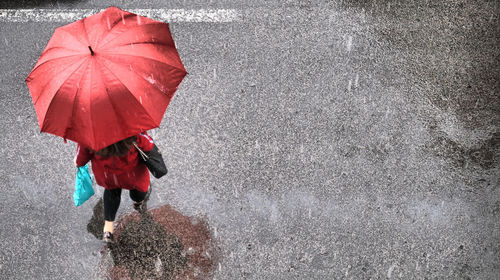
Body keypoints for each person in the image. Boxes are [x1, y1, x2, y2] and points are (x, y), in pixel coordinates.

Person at [75, 132, 155, 243]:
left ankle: (108, 230)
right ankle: (138, 202)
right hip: (132, 175)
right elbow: (149, 145)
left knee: (111, 192)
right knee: (139, 189)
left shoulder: (90, 135)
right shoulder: (133, 129)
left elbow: (80, 159)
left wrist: (78, 162)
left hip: (108, 175)